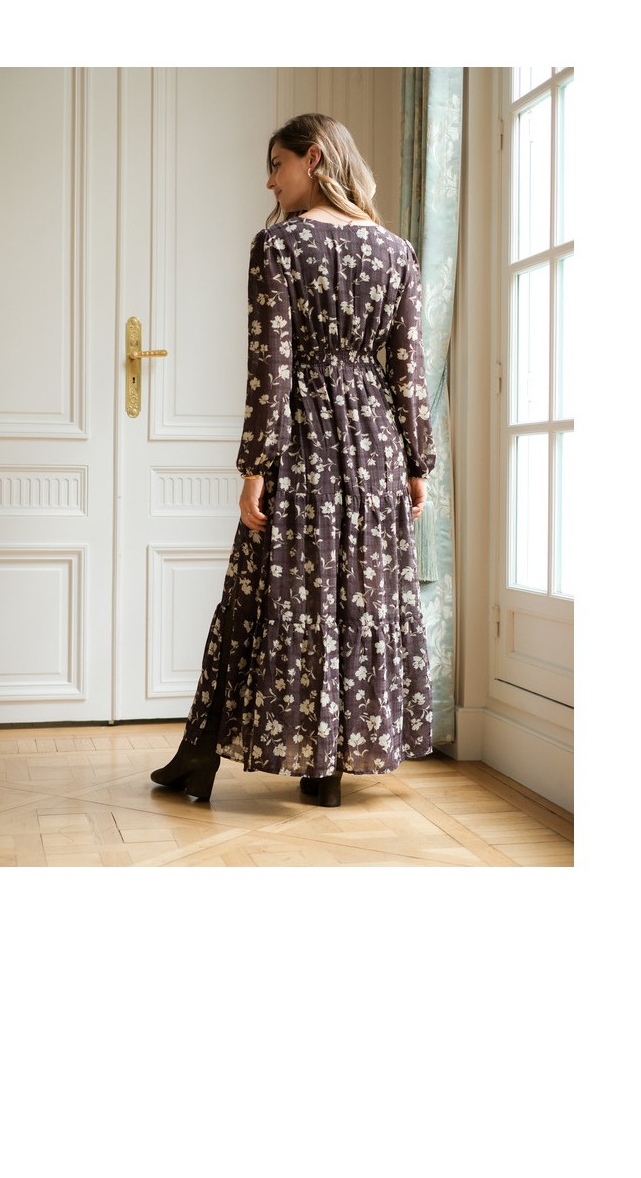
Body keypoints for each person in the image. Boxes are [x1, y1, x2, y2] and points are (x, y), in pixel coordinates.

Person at [150, 112, 435, 808]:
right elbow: (409, 369)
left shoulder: (279, 246)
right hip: (373, 443)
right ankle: (325, 771)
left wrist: (255, 466)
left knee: (268, 593)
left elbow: (270, 368)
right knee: (358, 597)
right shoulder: (395, 251)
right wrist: (417, 461)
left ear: (314, 160)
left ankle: (201, 757)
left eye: (277, 165)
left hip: (303, 438)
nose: (270, 182)